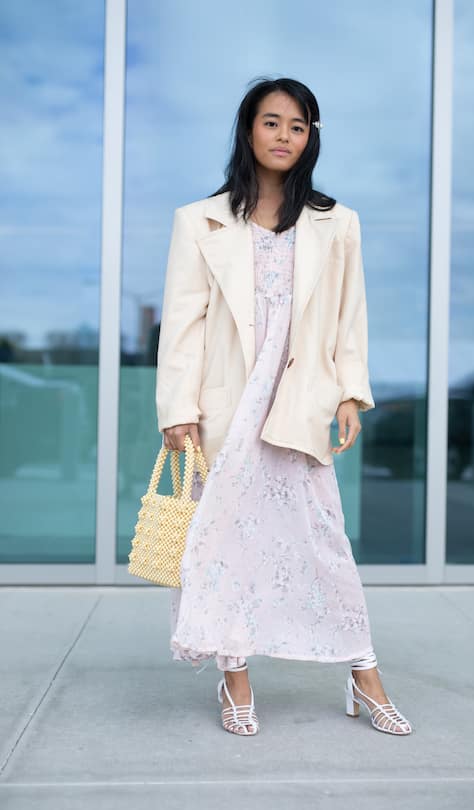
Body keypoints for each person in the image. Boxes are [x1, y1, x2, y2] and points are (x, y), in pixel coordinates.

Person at [156, 77, 412, 737]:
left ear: (310, 139)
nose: (284, 137)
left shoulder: (338, 223)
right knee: (225, 545)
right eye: (272, 123)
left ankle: (364, 672)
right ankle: (234, 677)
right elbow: (183, 323)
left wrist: (352, 391)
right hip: (226, 407)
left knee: (323, 542)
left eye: (298, 127)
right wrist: (176, 409)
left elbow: (349, 318)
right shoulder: (200, 220)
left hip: (298, 403)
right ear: (249, 130)